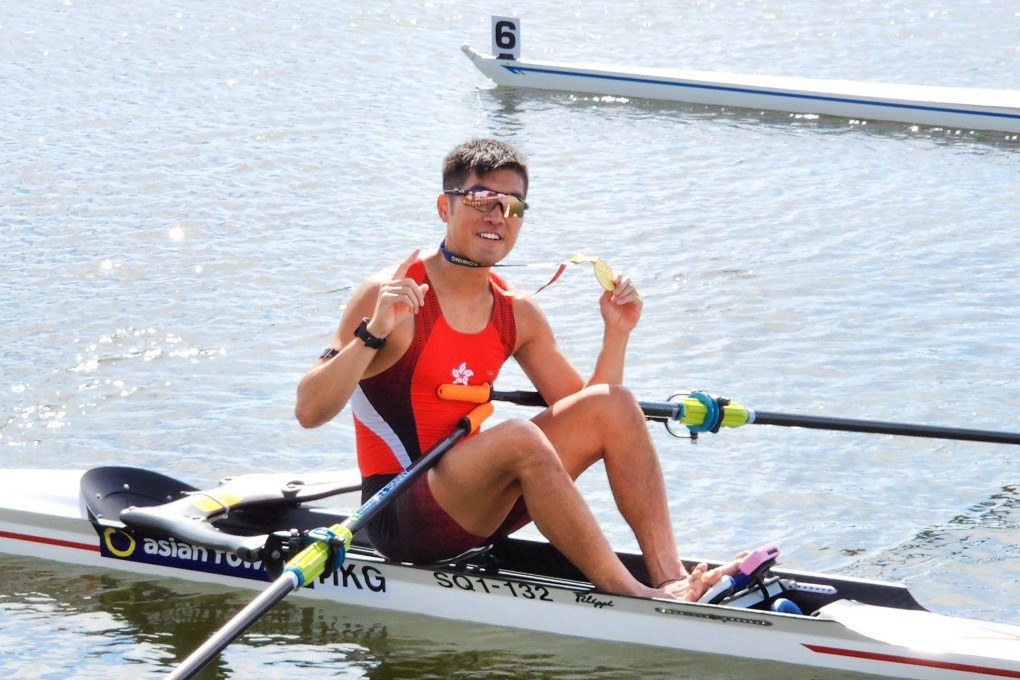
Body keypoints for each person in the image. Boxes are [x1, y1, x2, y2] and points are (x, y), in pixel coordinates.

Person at [296, 138, 741, 600]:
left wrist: (617, 333)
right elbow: (309, 410)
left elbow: (592, 417)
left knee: (616, 403)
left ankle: (669, 578)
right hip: (399, 515)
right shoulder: (391, 292)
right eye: (482, 200)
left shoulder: (517, 312)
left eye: (512, 207)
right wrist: (372, 334)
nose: (496, 217)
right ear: (443, 208)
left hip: (477, 505)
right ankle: (630, 594)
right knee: (517, 436)